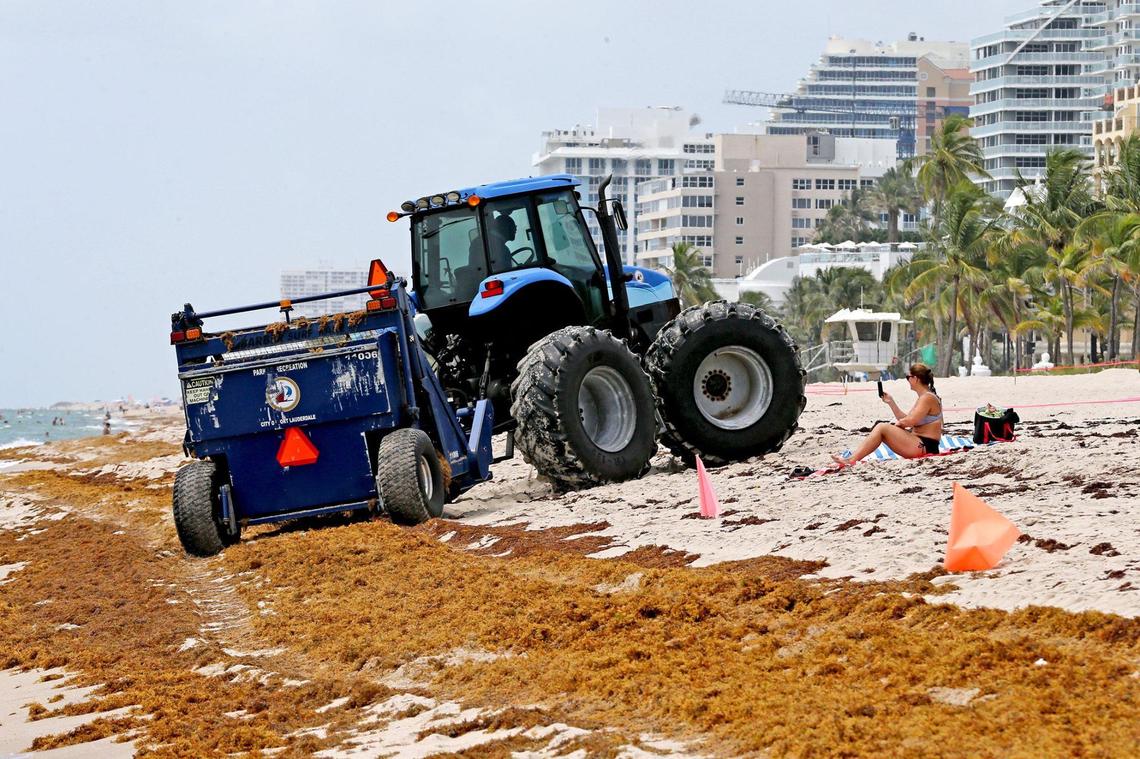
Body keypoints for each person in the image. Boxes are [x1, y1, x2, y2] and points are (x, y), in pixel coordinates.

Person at [831, 363, 943, 469]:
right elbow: (907, 418)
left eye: (908, 377)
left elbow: (910, 421)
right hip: (920, 443)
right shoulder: (924, 397)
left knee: (881, 427)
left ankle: (852, 460)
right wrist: (891, 402)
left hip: (925, 446)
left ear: (916, 378)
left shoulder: (927, 398)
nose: (907, 380)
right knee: (883, 430)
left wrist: (897, 425)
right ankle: (853, 458)